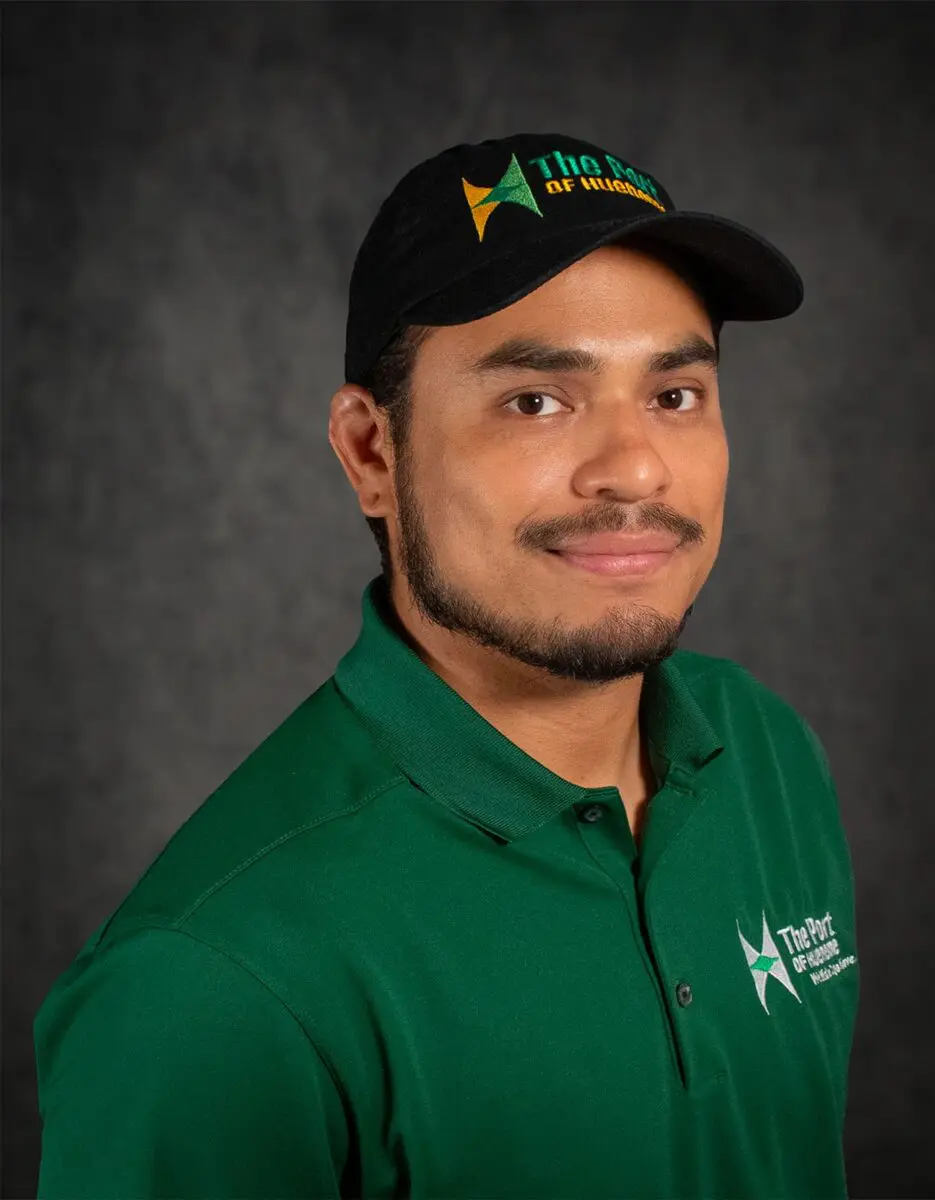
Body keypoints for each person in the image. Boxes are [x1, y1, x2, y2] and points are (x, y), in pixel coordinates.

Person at [34, 133, 859, 1199]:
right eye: (536, 401)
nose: (636, 466)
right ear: (371, 453)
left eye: (673, 395)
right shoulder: (209, 984)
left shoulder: (770, 759)